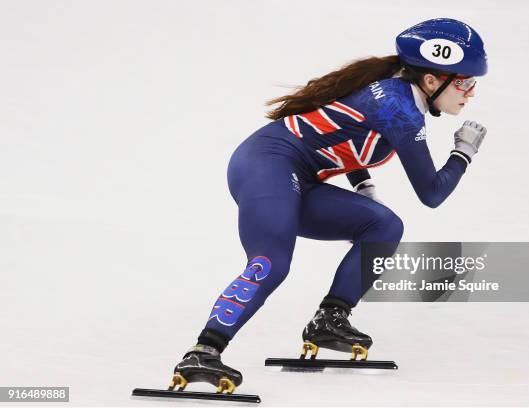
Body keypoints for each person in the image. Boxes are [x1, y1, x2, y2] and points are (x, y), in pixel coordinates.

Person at [168, 18, 488, 393]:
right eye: (465, 82)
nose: (470, 93)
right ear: (432, 80)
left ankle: (330, 319)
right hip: (267, 164)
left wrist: (363, 184)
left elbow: (347, 137)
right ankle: (204, 349)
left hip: (295, 176)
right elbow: (432, 193)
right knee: (271, 262)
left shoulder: (395, 95)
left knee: (385, 227)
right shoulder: (401, 110)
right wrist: (463, 152)